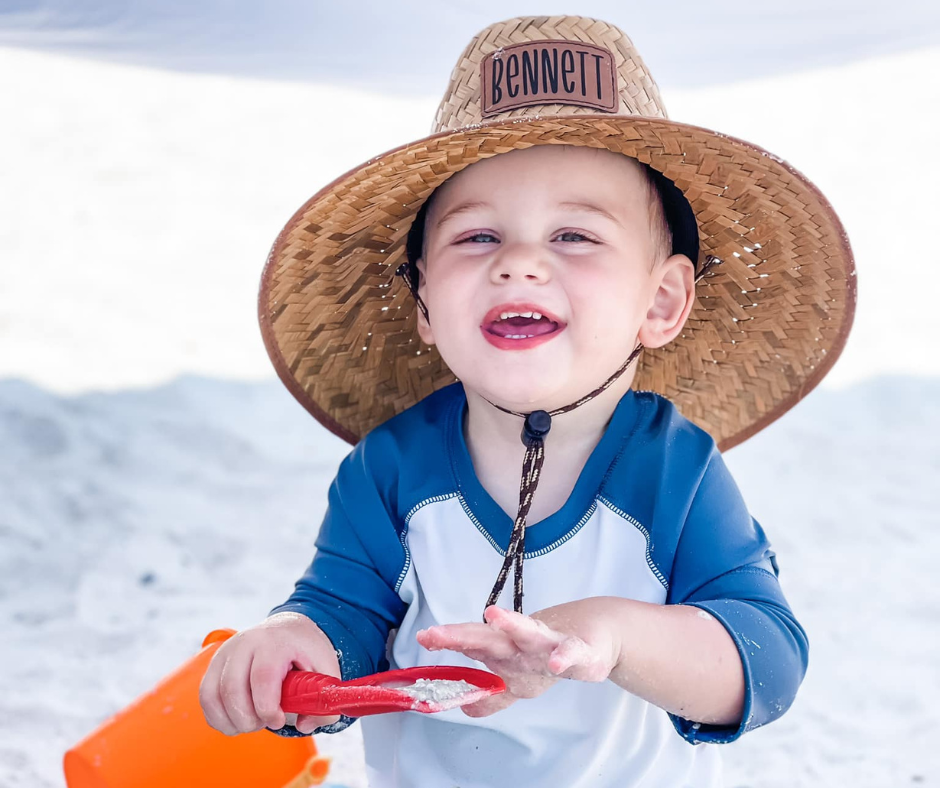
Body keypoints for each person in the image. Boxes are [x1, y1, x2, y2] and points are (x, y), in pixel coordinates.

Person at [199, 15, 855, 788]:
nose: (519, 264)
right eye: (477, 237)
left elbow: (765, 662)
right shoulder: (389, 468)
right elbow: (345, 617)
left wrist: (611, 633)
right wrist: (295, 643)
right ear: (423, 301)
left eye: (575, 236)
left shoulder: (675, 471)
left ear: (661, 300)